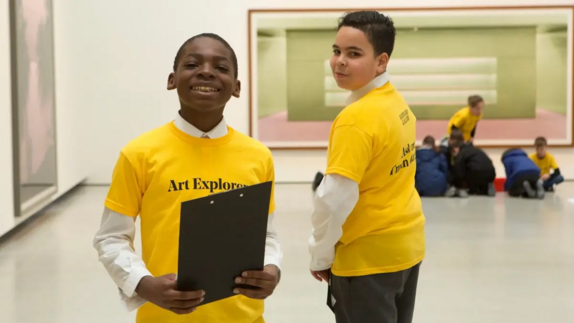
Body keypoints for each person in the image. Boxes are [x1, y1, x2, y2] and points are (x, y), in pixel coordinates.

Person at [93, 34, 282, 323]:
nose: (206, 71)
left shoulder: (257, 156)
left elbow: (266, 234)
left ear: (237, 88)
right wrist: (144, 285)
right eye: (193, 64)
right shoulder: (139, 153)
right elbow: (111, 237)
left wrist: (272, 268)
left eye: (221, 68)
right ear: (172, 80)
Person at [308, 11, 425, 323]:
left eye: (354, 53)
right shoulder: (396, 103)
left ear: (381, 61)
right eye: (336, 51)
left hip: (367, 261)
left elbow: (334, 199)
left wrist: (320, 254)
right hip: (406, 250)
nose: (340, 61)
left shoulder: (356, 118)